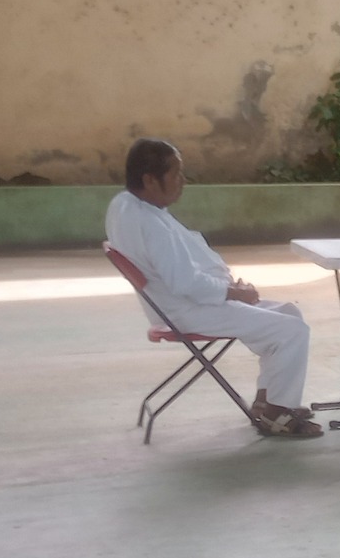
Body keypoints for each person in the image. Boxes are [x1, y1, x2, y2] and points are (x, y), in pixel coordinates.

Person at [104, 138, 320, 438]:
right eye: (176, 174)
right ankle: (278, 415)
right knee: (293, 331)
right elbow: (185, 282)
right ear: (150, 180)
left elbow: (182, 269)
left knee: (288, 313)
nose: (183, 181)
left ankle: (269, 401)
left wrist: (227, 286)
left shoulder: (125, 204)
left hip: (184, 302)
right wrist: (234, 292)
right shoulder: (149, 223)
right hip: (189, 309)